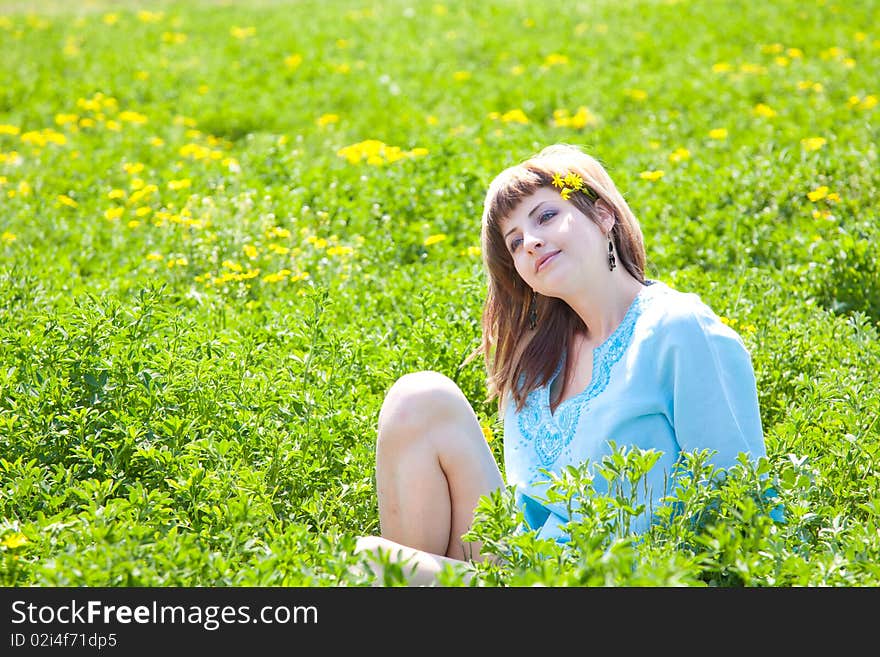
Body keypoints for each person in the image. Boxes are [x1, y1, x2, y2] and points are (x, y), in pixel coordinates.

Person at [354, 143, 770, 585]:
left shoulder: (678, 330)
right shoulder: (536, 364)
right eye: (514, 242)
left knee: (366, 562)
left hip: (622, 581)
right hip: (528, 570)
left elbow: (742, 501)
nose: (530, 241)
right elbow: (519, 519)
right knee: (419, 398)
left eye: (546, 216)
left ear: (603, 215)